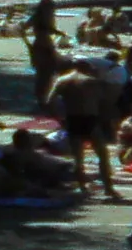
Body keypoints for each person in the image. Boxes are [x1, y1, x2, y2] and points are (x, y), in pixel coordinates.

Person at [49, 60, 118, 199]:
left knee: (78, 157)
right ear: (86, 68)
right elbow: (106, 101)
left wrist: (59, 118)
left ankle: (82, 187)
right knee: (102, 154)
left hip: (72, 118)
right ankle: (108, 188)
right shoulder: (91, 81)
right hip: (89, 119)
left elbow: (50, 101)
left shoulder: (62, 80)